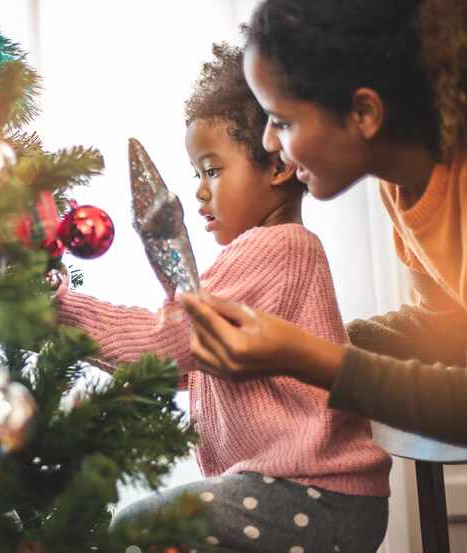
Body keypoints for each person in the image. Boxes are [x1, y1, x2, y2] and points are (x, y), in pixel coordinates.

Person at [55, 44, 390, 552]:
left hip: (315, 497)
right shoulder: (273, 251)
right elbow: (191, 363)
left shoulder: (274, 247)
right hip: (310, 498)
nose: (199, 194)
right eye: (196, 175)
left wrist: (57, 311)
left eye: (212, 170)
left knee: (139, 528)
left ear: (277, 167)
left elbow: (168, 342)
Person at [182, 0, 467, 446]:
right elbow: (448, 333)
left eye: (282, 121)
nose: (268, 141)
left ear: (364, 114)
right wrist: (306, 341)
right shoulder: (401, 188)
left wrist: (307, 357)